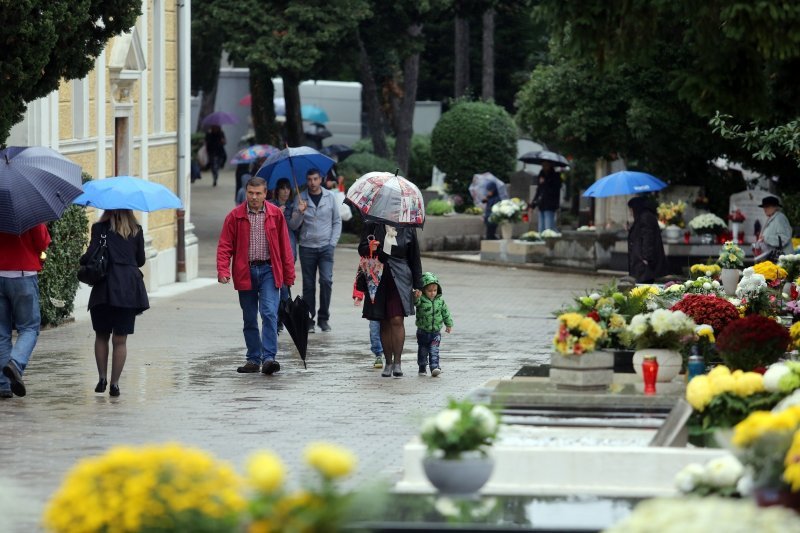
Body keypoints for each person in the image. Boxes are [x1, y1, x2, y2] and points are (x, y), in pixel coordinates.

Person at [217, 176, 296, 375]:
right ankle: (253, 358)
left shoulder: (275, 215)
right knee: (249, 317)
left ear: (265, 193)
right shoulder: (234, 216)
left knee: (269, 312)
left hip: (270, 270)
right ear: (246, 192)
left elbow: (285, 247)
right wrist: (223, 270)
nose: (254, 197)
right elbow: (225, 246)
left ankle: (269, 358)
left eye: (258, 193)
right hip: (245, 271)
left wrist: (289, 275)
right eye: (251, 193)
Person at [81, 210, 150, 397]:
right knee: (120, 340)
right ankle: (115, 384)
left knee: (101, 335)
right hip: (128, 289)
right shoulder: (136, 230)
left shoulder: (99, 228)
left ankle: (102, 378)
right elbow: (140, 260)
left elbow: (89, 257)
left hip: (103, 288)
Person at [358, 223, 423, 378]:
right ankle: (388, 362)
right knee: (384, 320)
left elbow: (415, 257)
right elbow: (361, 249)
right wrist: (371, 248)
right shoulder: (372, 224)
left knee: (396, 319)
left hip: (400, 278)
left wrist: (418, 284)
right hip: (377, 278)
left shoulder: (407, 227)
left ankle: (398, 363)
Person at [0, 224, 51, 398]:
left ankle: (4, 384)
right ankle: (15, 363)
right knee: (29, 328)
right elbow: (42, 243)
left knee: (1, 333)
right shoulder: (26, 203)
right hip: (23, 273)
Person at [296, 168, 342, 333]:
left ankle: (324, 318)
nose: (312, 183)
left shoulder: (330, 197)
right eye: (309, 179)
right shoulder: (300, 197)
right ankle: (309, 320)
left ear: (321, 179)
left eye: (315, 179)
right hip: (307, 247)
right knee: (308, 285)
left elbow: (337, 221)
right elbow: (293, 225)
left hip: (325, 248)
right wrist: (300, 212)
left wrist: (332, 243)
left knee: (326, 281)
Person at [270, 178, 303, 331]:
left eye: (287, 188)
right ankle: (280, 319)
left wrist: (300, 213)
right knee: (277, 287)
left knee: (285, 286)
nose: (285, 191)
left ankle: (282, 318)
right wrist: (276, 214)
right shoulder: (270, 205)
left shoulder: (292, 206)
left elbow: (293, 226)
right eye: (282, 188)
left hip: (288, 251)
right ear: (277, 190)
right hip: (272, 252)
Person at [413, 272, 453, 377]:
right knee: (423, 351)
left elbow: (446, 313)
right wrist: (416, 297)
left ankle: (435, 367)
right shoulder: (421, 299)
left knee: (434, 350)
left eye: (434, 290)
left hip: (436, 332)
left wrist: (448, 324)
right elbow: (415, 303)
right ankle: (422, 367)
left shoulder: (440, 301)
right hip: (422, 331)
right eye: (429, 291)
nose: (432, 293)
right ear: (424, 290)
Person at [627, 196, 667, 283]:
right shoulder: (643, 217)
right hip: (642, 263)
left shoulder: (645, 217)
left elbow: (648, 238)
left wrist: (646, 258)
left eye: (631, 209)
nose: (630, 212)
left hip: (645, 265)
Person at [352, 269, 385, 369]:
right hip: (372, 303)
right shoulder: (366, 257)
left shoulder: (388, 258)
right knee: (374, 329)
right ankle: (378, 354)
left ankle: (389, 353)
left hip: (387, 301)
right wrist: (358, 295)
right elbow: (360, 276)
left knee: (387, 329)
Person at [530, 161, 562, 231]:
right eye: (543, 165)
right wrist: (532, 205)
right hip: (541, 204)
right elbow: (538, 191)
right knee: (541, 228)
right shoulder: (541, 175)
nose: (544, 167)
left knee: (549, 227)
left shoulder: (555, 176)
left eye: (546, 165)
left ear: (550, 165)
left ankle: (551, 239)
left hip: (550, 204)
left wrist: (545, 182)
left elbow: (555, 190)